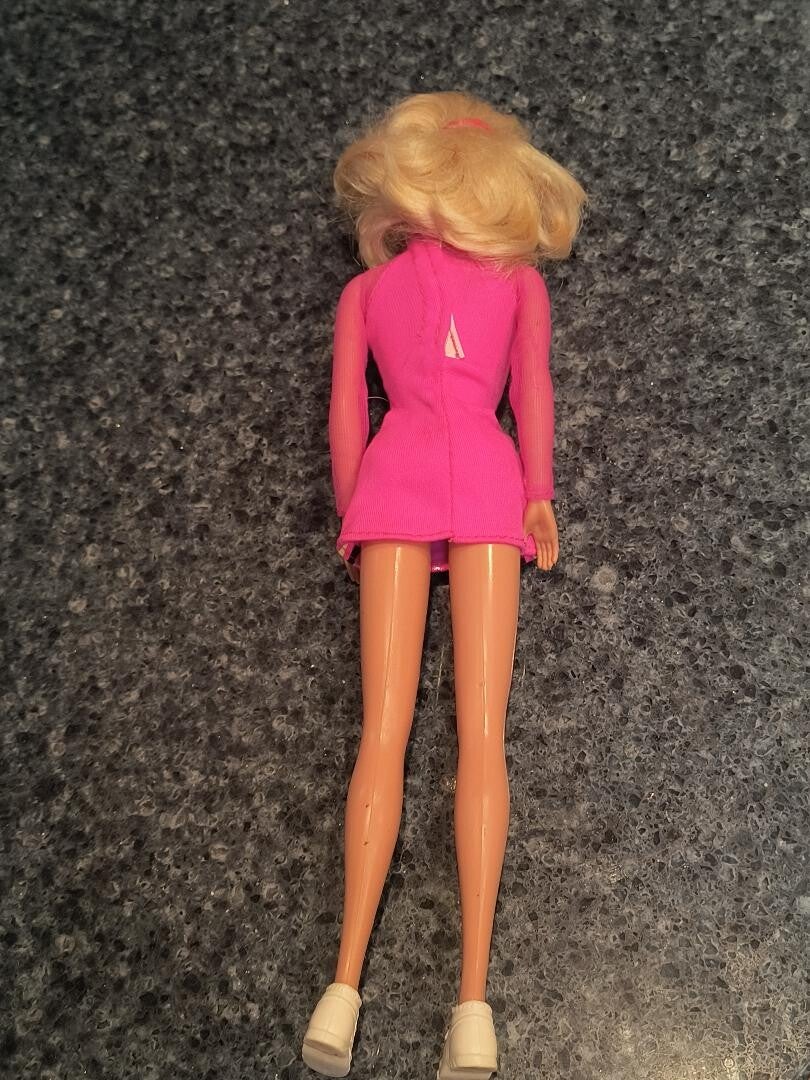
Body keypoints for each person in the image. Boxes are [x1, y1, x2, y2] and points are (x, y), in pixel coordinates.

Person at [302, 90, 587, 1079]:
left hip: (400, 479)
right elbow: (531, 391)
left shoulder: (368, 293)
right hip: (484, 480)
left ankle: (348, 988)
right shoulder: (515, 283)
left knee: (385, 731)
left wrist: (357, 505)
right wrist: (538, 492)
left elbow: (349, 414)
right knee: (478, 732)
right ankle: (469, 1003)